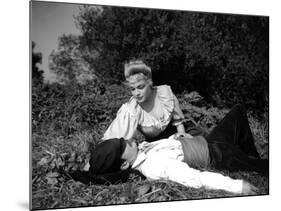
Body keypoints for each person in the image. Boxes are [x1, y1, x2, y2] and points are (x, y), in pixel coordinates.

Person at [71, 104, 268, 195]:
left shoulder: (141, 149)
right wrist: (236, 186)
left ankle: (249, 155)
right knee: (265, 167)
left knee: (238, 111)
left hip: (210, 142)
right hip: (219, 155)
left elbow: (164, 145)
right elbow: (194, 179)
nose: (128, 139)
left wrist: (175, 137)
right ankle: (250, 160)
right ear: (124, 164)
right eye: (123, 145)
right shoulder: (155, 167)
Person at [102, 60, 187, 142]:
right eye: (132, 89)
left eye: (140, 87)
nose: (136, 93)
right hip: (155, 146)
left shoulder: (165, 94)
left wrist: (182, 139)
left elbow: (179, 124)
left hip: (176, 137)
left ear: (149, 83)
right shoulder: (132, 109)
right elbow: (116, 135)